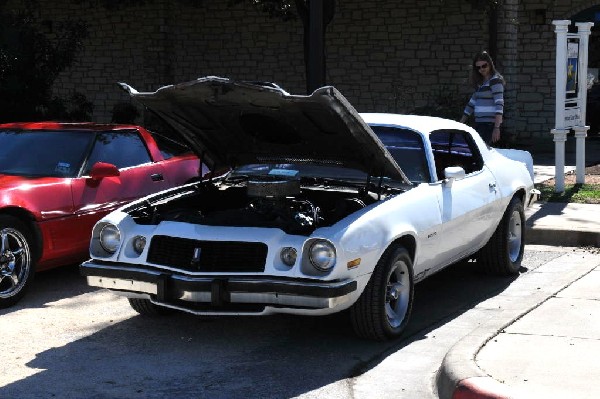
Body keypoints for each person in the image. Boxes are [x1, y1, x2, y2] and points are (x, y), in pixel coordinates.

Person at [459, 51, 505, 145]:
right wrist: (461, 123)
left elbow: (499, 104)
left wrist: (497, 128)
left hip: (489, 125)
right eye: (478, 67)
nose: (482, 69)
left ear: (490, 64)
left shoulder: (495, 81)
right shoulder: (481, 83)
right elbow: (471, 104)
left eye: (484, 66)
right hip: (479, 123)